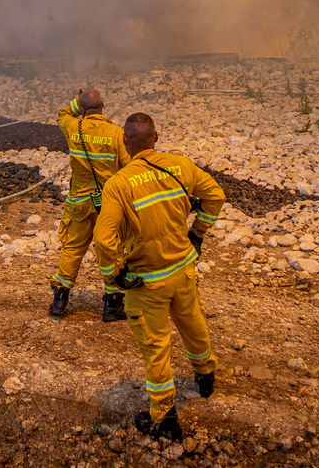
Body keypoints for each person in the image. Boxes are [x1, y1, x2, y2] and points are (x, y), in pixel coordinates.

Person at [93, 112, 224, 442]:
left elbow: (104, 239)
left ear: (125, 143)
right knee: (193, 321)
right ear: (156, 136)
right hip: (183, 268)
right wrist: (198, 234)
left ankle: (163, 417)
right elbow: (216, 196)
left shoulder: (119, 184)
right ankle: (205, 377)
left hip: (148, 281)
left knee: (156, 347)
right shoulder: (180, 165)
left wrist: (115, 276)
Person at [49, 89, 131, 321]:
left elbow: (61, 114)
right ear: (103, 108)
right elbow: (127, 166)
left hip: (78, 203)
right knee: (111, 250)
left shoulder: (74, 127)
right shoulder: (116, 133)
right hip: (107, 205)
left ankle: (59, 302)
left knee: (72, 249)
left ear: (83, 110)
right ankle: (112, 306)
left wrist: (78, 102)